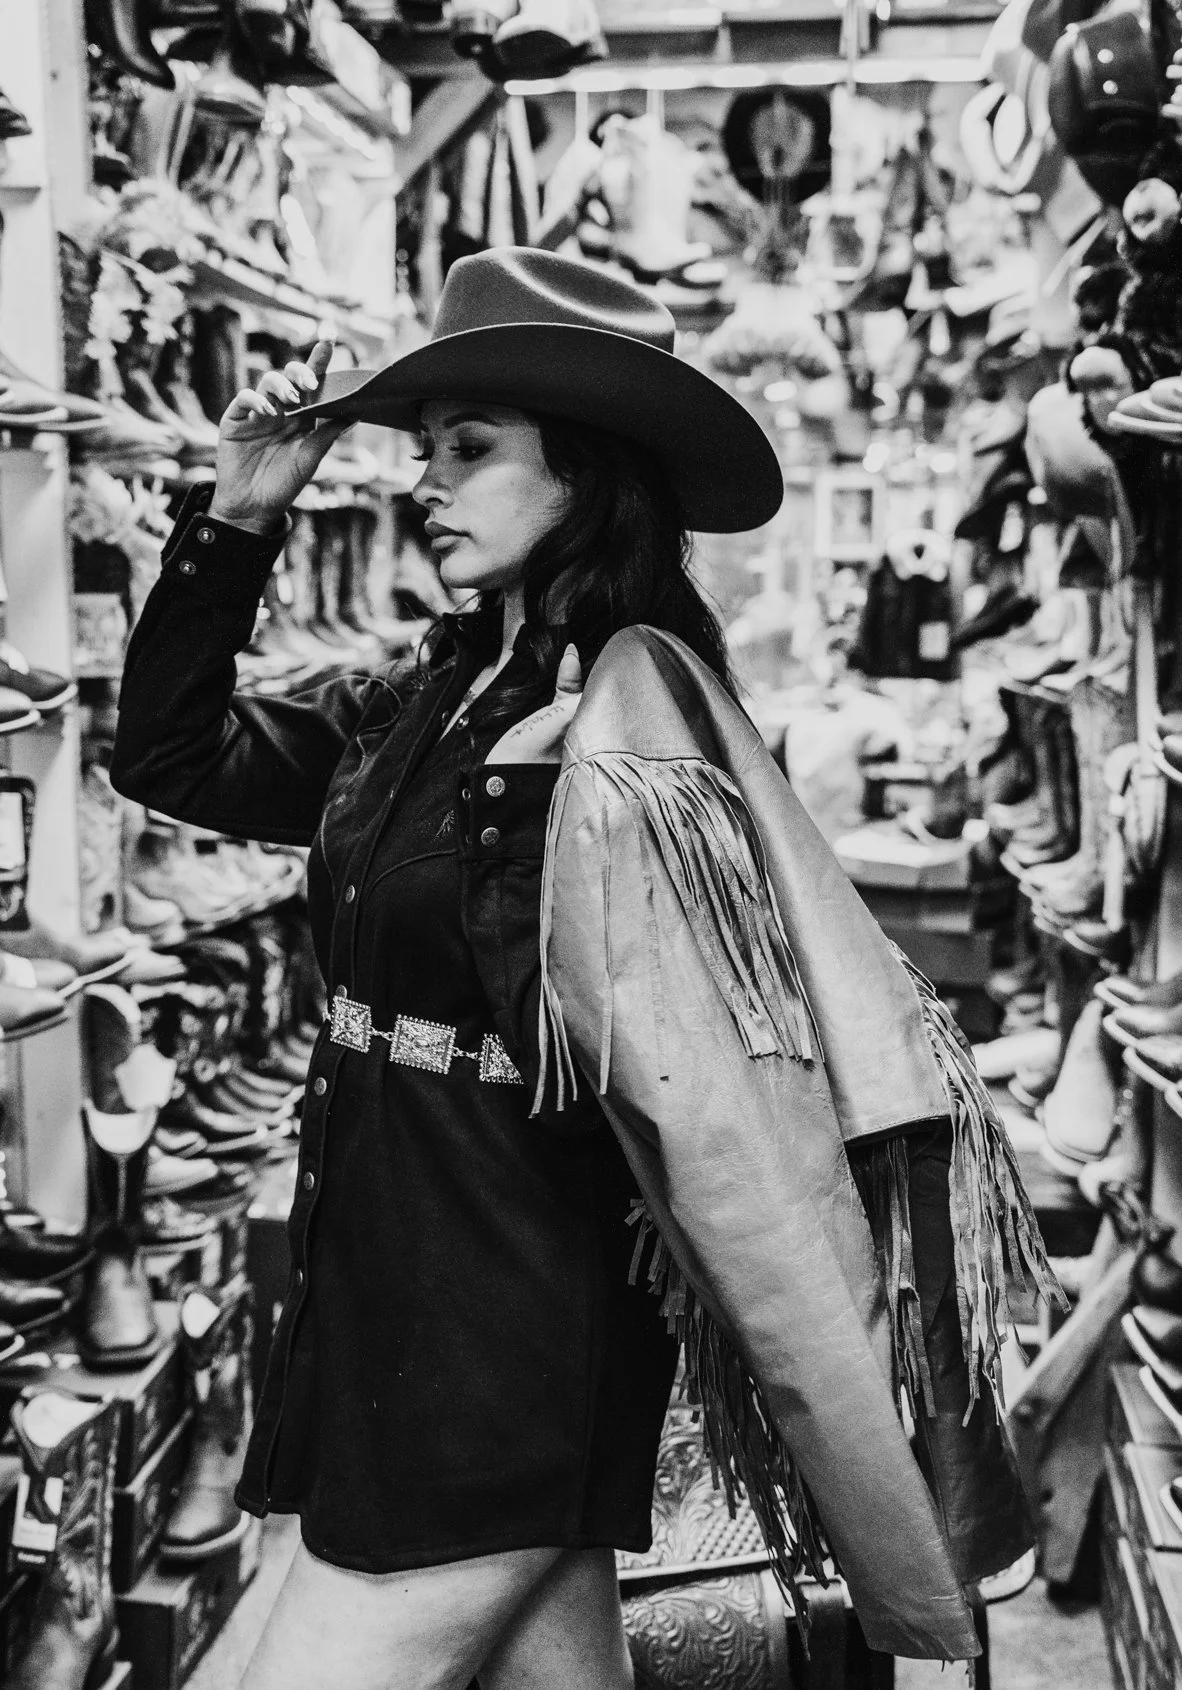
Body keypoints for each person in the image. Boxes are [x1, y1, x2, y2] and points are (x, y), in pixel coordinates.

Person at [112, 248, 1033, 1685]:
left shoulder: (632, 726)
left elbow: (656, 1067)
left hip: (501, 1328)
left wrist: (527, 827)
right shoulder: (425, 699)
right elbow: (173, 753)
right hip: (394, 1288)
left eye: (471, 450)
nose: (426, 480)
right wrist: (236, 519)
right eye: (426, 448)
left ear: (581, 475)